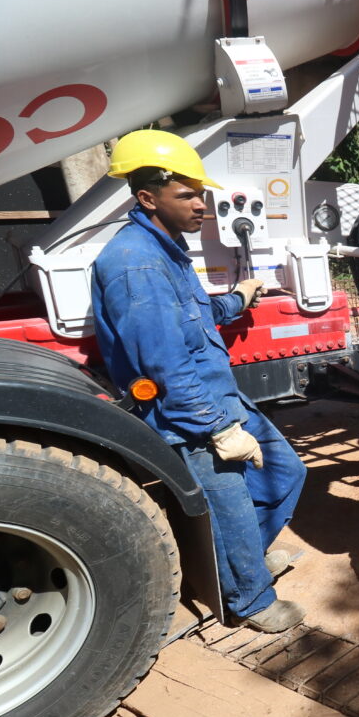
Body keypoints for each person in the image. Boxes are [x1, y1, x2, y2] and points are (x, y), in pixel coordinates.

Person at [91, 130, 307, 633]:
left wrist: (237, 297)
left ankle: (240, 562)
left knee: (285, 474)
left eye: (201, 194)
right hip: (190, 416)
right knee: (228, 507)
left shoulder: (165, 251)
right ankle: (249, 599)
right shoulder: (135, 264)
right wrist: (217, 429)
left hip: (218, 396)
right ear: (147, 197)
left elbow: (194, 316)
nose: (202, 205)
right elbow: (163, 363)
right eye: (186, 194)